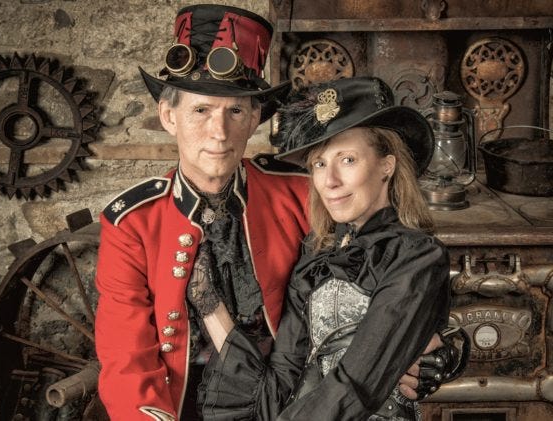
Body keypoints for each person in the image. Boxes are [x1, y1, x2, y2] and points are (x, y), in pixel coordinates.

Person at [94, 5, 465, 421]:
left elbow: (390, 275)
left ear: (255, 117)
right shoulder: (133, 222)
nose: (219, 132)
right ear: (169, 117)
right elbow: (125, 359)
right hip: (179, 406)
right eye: (201, 110)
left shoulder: (300, 192)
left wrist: (442, 349)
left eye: (235, 111)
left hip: (292, 400)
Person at [191, 77, 467, 420]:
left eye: (347, 160)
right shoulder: (316, 254)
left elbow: (357, 385)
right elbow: (282, 380)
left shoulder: (417, 256)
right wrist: (211, 307)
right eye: (319, 164)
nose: (330, 181)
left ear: (387, 165)